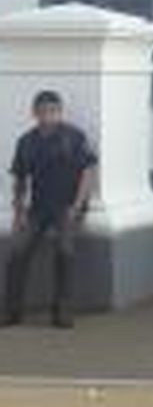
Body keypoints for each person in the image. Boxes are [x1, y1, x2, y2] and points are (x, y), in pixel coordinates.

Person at [4, 91, 97, 329]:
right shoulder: (26, 141)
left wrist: (77, 206)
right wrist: (18, 213)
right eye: (43, 112)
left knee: (65, 251)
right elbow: (20, 179)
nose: (48, 117)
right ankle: (12, 312)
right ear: (34, 113)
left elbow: (87, 172)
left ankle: (62, 311)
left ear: (60, 112)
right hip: (38, 208)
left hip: (67, 207)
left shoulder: (74, 137)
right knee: (17, 251)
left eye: (53, 112)